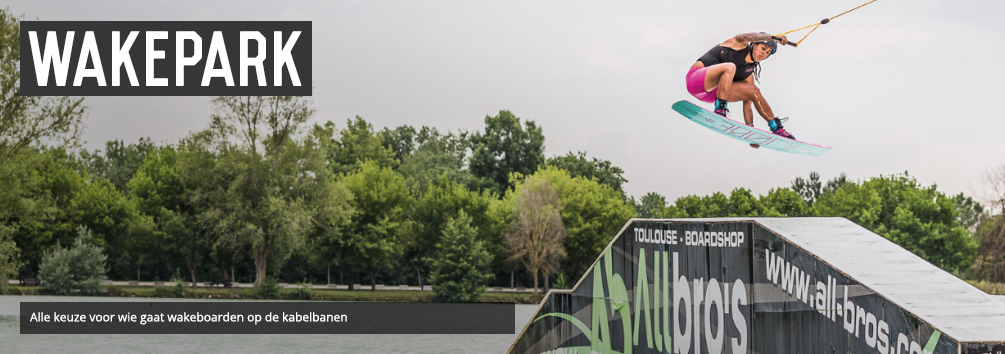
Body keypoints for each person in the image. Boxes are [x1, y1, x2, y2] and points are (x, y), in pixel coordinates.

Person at [685, 32, 795, 145]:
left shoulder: (748, 74)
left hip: (713, 94)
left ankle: (777, 128)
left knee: (753, 91)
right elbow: (745, 36)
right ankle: (720, 110)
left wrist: (750, 132)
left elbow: (747, 107)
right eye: (763, 48)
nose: (764, 53)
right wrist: (773, 38)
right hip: (695, 81)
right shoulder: (737, 44)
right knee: (730, 66)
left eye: (768, 52)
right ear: (754, 44)